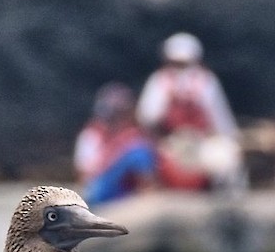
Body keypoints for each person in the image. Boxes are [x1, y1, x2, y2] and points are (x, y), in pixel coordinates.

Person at [136, 32, 241, 191]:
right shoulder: (159, 81)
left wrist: (230, 138)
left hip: (200, 142)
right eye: (177, 62)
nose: (181, 68)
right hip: (169, 143)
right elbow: (146, 117)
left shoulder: (207, 81)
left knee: (227, 154)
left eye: (184, 63)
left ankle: (224, 196)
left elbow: (221, 119)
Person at [74, 82, 157, 205]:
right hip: (98, 189)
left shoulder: (131, 133)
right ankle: (148, 194)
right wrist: (113, 153)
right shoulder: (91, 134)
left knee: (140, 150)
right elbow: (84, 171)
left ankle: (147, 194)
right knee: (138, 153)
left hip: (123, 190)